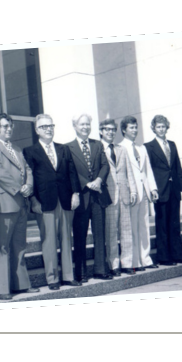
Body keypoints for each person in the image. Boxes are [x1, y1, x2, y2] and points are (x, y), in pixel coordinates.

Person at [0, 113, 39, 300]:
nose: (9, 129)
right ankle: (2, 289)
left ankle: (21, 284)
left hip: (21, 202)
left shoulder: (16, 148)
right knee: (2, 247)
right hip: (4, 203)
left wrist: (28, 186)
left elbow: (28, 170)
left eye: (10, 126)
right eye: (5, 126)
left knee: (19, 245)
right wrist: (18, 188)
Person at [23, 114, 82, 291]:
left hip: (65, 200)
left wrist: (76, 194)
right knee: (48, 241)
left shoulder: (63, 149)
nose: (49, 129)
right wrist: (33, 200)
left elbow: (72, 173)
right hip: (44, 202)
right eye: (44, 127)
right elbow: (29, 177)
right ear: (37, 130)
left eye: (51, 125)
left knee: (66, 239)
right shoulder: (30, 151)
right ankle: (52, 278)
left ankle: (68, 276)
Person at [66, 113, 113, 283]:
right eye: (82, 124)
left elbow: (104, 165)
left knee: (100, 234)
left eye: (87, 124)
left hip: (98, 196)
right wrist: (87, 183)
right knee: (80, 235)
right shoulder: (68, 148)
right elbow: (70, 171)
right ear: (75, 126)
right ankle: (81, 272)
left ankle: (101, 269)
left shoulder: (98, 144)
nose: (85, 127)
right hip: (82, 197)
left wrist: (99, 180)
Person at [144, 115, 182, 266]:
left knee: (175, 223)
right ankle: (164, 257)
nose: (161, 129)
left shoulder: (172, 144)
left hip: (174, 189)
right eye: (158, 127)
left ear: (167, 128)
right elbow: (148, 170)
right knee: (162, 224)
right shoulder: (148, 147)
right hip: (160, 190)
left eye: (163, 126)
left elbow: (177, 166)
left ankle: (178, 255)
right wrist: (152, 189)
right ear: (154, 129)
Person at [119, 115, 160, 271]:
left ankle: (146, 259)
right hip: (131, 193)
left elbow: (147, 170)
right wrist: (129, 190)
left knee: (143, 226)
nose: (134, 130)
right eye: (131, 127)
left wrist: (153, 188)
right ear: (124, 130)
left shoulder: (142, 148)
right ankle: (134, 261)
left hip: (144, 192)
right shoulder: (121, 147)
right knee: (131, 228)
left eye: (136, 127)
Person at [99, 119, 138, 276]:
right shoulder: (98, 148)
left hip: (124, 195)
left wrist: (133, 191)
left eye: (113, 130)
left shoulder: (121, 149)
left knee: (126, 231)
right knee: (111, 232)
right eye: (107, 129)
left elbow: (129, 172)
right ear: (101, 131)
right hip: (109, 196)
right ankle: (114, 264)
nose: (110, 132)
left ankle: (127, 263)